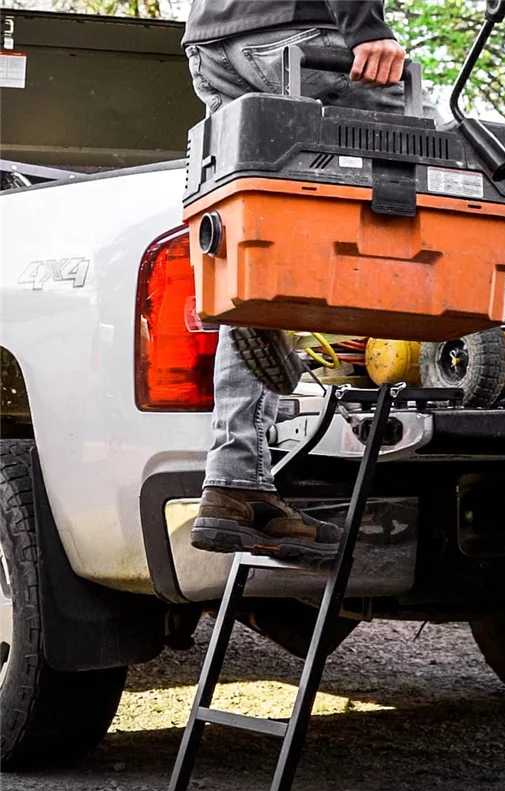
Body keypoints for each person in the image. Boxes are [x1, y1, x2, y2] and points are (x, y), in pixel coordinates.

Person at [182, 1, 435, 568]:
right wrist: (368, 29)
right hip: (294, 33)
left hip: (213, 48)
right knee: (442, 163)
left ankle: (235, 484)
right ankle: (463, 331)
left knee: (263, 255)